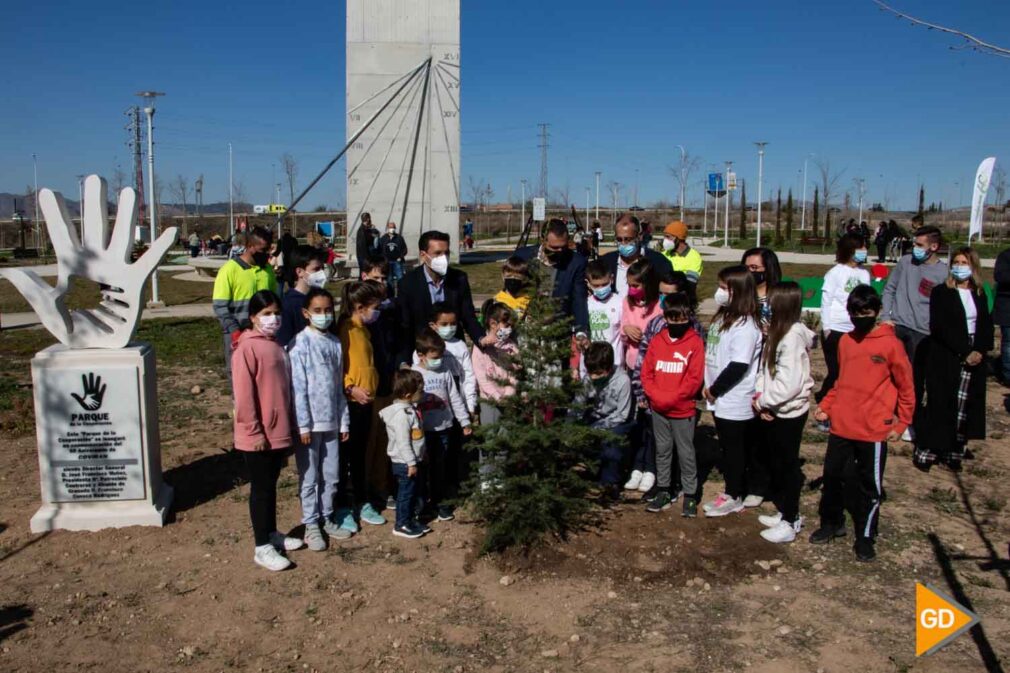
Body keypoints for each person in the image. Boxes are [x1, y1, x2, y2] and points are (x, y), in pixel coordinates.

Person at [812, 285, 914, 562]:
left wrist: (902, 422)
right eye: (855, 312)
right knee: (832, 478)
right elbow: (842, 380)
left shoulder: (891, 345)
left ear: (877, 311)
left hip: (872, 429)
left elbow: (906, 386)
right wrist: (826, 405)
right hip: (842, 425)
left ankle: (866, 535)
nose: (860, 317)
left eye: (866, 312)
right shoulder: (846, 341)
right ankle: (831, 523)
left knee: (870, 485)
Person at [231, 290, 304, 571]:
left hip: (277, 431)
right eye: (266, 314)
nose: (273, 318)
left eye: (276, 313)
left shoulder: (274, 344)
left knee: (270, 485)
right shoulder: (247, 348)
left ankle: (272, 533)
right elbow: (244, 394)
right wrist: (254, 430)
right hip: (258, 435)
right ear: (253, 317)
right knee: (260, 489)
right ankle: (261, 546)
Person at [914, 248, 994, 471]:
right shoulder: (941, 292)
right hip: (947, 354)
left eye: (964, 262)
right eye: (956, 262)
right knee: (940, 403)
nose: (959, 266)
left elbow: (985, 324)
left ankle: (953, 451)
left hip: (974, 354)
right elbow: (938, 326)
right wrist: (963, 351)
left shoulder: (979, 292)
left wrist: (979, 349)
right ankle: (927, 452)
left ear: (973, 266)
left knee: (963, 406)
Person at [289, 288, 352, 550]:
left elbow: (338, 386)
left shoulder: (335, 344)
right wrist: (302, 424)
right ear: (306, 313)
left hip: (331, 422)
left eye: (328, 310)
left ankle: (326, 516)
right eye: (318, 311)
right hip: (309, 425)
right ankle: (311, 523)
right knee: (310, 476)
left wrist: (343, 420)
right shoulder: (299, 344)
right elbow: (298, 388)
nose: (324, 315)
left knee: (331, 474)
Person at [752, 282, 815, 543]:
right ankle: (784, 510)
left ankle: (791, 519)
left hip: (788, 413)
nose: (766, 307)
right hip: (773, 408)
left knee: (788, 466)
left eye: (771, 303)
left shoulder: (791, 339)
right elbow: (764, 370)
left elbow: (789, 384)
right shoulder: (777, 333)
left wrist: (766, 402)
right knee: (777, 461)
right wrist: (760, 398)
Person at [702, 266, 763, 517]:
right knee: (728, 447)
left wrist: (716, 389)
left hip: (733, 397)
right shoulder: (723, 317)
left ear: (738, 291)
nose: (720, 292)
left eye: (725, 288)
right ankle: (734, 489)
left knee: (734, 449)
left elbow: (739, 364)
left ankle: (733, 494)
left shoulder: (746, 326)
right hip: (719, 397)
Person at [881, 225, 948, 441]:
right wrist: (886, 318)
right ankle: (887, 414)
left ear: (934, 246)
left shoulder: (943, 273)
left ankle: (908, 420)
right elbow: (890, 288)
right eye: (914, 244)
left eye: (920, 245)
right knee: (889, 375)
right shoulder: (905, 263)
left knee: (914, 380)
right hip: (898, 327)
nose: (914, 248)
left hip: (923, 333)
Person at [641, 292, 705, 518]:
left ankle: (690, 494)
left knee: (686, 452)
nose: (676, 323)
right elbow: (647, 372)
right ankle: (664, 489)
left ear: (688, 316)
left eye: (681, 319)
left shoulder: (695, 342)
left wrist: (672, 398)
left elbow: (694, 379)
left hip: (682, 409)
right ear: (665, 317)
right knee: (663, 451)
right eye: (672, 318)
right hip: (659, 408)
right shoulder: (658, 340)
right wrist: (655, 395)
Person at [336, 281, 388, 531]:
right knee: (345, 457)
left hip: (367, 402)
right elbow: (340, 366)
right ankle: (343, 505)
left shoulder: (364, 329)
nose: (377, 312)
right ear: (359, 307)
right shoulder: (345, 329)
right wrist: (350, 388)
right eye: (374, 307)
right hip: (350, 404)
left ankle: (362, 500)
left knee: (359, 455)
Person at [397, 230, 487, 365]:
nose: (443, 258)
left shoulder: (459, 279)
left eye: (446, 253)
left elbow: (468, 316)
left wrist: (481, 338)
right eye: (438, 253)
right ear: (423, 255)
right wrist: (403, 362)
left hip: (454, 353)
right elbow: (405, 326)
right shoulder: (408, 283)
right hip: (424, 356)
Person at [412, 328, 473, 522]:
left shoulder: (445, 372)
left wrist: (464, 421)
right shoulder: (414, 374)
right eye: (434, 357)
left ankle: (440, 503)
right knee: (422, 469)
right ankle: (421, 505)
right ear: (421, 356)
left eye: (440, 356)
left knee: (441, 467)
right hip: (422, 432)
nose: (438, 360)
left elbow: (454, 398)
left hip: (444, 428)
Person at [618, 258, 663, 495]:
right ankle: (636, 465)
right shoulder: (628, 303)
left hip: (653, 372)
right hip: (632, 367)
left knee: (651, 424)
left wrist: (645, 335)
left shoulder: (659, 305)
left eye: (636, 285)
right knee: (635, 421)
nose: (631, 289)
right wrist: (626, 331)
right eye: (629, 284)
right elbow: (624, 327)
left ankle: (651, 468)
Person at [815, 233, 872, 415]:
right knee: (836, 371)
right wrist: (827, 327)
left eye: (865, 247)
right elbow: (826, 301)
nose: (865, 251)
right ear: (851, 250)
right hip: (836, 329)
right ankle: (825, 403)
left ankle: (847, 403)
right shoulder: (835, 272)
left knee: (852, 371)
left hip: (856, 328)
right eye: (861, 247)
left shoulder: (864, 274)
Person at [213, 227, 278, 375]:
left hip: (265, 333)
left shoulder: (267, 270)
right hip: (238, 333)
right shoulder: (229, 270)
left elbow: (274, 301)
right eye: (262, 250)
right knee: (239, 374)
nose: (266, 255)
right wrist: (235, 332)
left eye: (269, 250)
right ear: (249, 246)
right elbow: (220, 306)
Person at [514, 219, 590, 338]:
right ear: (542, 240)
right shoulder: (522, 256)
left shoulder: (576, 262)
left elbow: (579, 298)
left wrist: (581, 331)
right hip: (526, 330)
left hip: (558, 332)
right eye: (554, 247)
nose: (560, 251)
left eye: (563, 247)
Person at [579, 342, 634, 500]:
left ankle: (610, 484)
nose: (593, 377)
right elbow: (577, 404)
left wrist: (598, 427)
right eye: (591, 373)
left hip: (619, 420)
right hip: (595, 416)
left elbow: (623, 414)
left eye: (597, 373)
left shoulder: (623, 380)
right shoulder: (589, 378)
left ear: (608, 369)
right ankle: (592, 474)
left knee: (611, 444)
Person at [379, 369, 428, 539]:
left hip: (414, 460)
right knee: (406, 494)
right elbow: (403, 442)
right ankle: (401, 524)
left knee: (415, 492)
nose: (423, 393)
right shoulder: (401, 415)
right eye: (420, 391)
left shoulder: (410, 409)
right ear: (408, 394)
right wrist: (411, 463)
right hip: (405, 463)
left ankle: (410, 519)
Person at [413, 303, 478, 420]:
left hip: (457, 403)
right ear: (433, 325)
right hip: (430, 401)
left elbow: (468, 376)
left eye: (453, 324)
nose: (450, 327)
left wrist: (470, 404)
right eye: (444, 324)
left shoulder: (461, 346)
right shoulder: (422, 348)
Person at [599, 213, 672, 301]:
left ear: (639, 236)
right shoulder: (605, 262)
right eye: (619, 239)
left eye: (628, 239)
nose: (623, 243)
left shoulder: (658, 262)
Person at [472, 302, 519, 426]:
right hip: (488, 400)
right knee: (491, 434)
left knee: (507, 433)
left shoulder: (512, 347)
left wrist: (509, 395)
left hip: (509, 400)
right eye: (507, 325)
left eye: (511, 326)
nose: (510, 329)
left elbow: (514, 374)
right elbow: (482, 378)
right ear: (493, 324)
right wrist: (497, 396)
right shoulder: (480, 348)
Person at [277, 245, 328, 348]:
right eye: (316, 269)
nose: (321, 273)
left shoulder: (324, 299)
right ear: (300, 272)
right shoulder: (288, 305)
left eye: (322, 268)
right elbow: (284, 342)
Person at [583, 260, 624, 367]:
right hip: (590, 364)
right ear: (588, 283)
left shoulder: (621, 302)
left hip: (615, 363)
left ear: (612, 279)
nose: (601, 289)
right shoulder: (584, 304)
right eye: (596, 285)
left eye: (604, 284)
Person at [741, 247, 782, 327]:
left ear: (769, 268)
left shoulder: (780, 297)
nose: (749, 271)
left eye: (754, 267)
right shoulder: (739, 295)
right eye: (745, 267)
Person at [659, 221, 703, 286]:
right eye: (664, 237)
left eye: (668, 237)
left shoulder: (694, 257)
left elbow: (690, 284)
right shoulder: (663, 254)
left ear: (678, 238)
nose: (664, 240)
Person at [493, 255, 532, 319]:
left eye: (517, 277)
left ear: (525, 278)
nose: (513, 280)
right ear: (503, 276)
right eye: (509, 276)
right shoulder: (496, 301)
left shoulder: (529, 300)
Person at [994, 245, 1010, 385]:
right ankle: (1008, 375)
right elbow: (1000, 276)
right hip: (1007, 308)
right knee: (1008, 344)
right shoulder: (1005, 256)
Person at [379, 221, 407, 292]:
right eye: (391, 227)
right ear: (388, 228)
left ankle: (401, 294)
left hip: (397, 261)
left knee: (400, 278)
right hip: (387, 262)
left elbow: (405, 249)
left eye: (394, 227)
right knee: (389, 279)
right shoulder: (383, 238)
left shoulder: (399, 238)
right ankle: (391, 295)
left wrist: (400, 257)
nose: (392, 229)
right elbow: (380, 250)